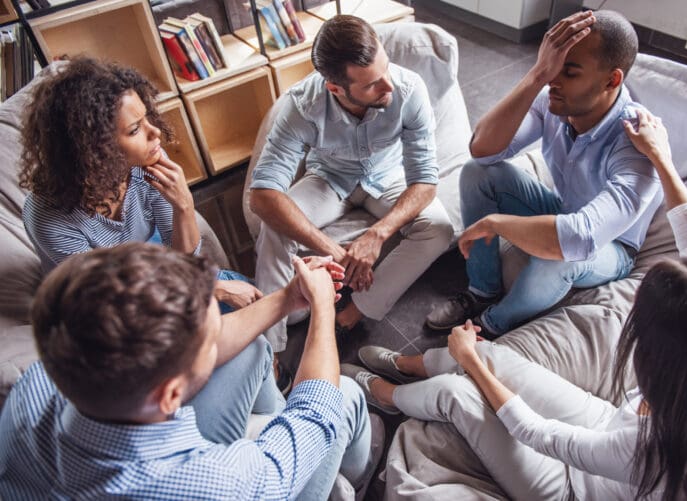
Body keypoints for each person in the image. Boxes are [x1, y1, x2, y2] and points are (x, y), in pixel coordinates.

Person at [343, 109, 687, 499]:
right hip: (606, 422)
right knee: (490, 356)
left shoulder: (657, 456)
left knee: (457, 392)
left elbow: (539, 434)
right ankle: (408, 367)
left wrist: (469, 364)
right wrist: (661, 157)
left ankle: (383, 395)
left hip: (572, 484)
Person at [0, 243, 385, 500]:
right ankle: (355, 475)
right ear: (169, 394)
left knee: (250, 350)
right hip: (246, 478)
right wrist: (322, 309)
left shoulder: (36, 383)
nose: (219, 328)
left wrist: (287, 299)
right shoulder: (212, 483)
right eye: (211, 332)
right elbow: (313, 413)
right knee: (346, 396)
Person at [426, 10, 663, 337]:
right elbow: (483, 150)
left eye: (569, 71)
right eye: (552, 67)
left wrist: (496, 223)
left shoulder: (637, 142)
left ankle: (492, 326)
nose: (554, 81)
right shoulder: (553, 97)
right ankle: (482, 291)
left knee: (562, 255)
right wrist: (537, 73)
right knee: (477, 173)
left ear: (612, 80)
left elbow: (580, 237)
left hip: (612, 246)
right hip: (565, 210)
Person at [249, 14, 453, 354]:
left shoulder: (408, 89)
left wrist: (376, 235)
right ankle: (269, 351)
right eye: (371, 84)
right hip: (329, 179)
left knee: (439, 228)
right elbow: (262, 196)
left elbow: (425, 181)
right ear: (335, 88)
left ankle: (353, 313)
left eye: (385, 69)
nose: (388, 85)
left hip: (389, 177)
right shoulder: (301, 106)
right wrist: (334, 249)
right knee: (273, 227)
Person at [19, 56, 260, 311]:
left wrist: (184, 206)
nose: (155, 133)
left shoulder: (147, 163)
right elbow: (118, 299)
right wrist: (214, 288)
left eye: (147, 118)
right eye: (135, 130)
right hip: (99, 297)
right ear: (94, 149)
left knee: (249, 304)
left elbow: (185, 260)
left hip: (151, 262)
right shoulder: (48, 220)